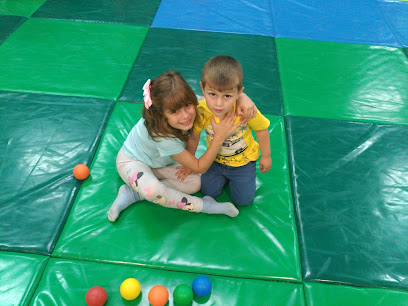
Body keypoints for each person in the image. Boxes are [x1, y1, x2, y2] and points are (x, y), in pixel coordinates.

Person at [108, 70, 256, 221]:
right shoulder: (162, 137)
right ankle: (205, 206)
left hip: (163, 163)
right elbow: (200, 167)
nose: (185, 115)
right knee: (153, 191)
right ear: (161, 115)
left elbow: (218, 99)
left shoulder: (192, 103)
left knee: (194, 183)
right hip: (133, 162)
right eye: (174, 111)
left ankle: (135, 193)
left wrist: (242, 97)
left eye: (187, 105)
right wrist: (219, 137)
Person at [185, 55, 272, 206]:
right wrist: (190, 161)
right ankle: (223, 179)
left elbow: (261, 129)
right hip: (215, 161)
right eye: (212, 94)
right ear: (202, 88)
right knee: (208, 192)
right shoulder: (202, 111)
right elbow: (194, 136)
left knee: (243, 201)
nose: (219, 104)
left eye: (227, 96)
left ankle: (244, 180)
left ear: (239, 93)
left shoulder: (245, 109)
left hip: (243, 163)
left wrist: (266, 156)